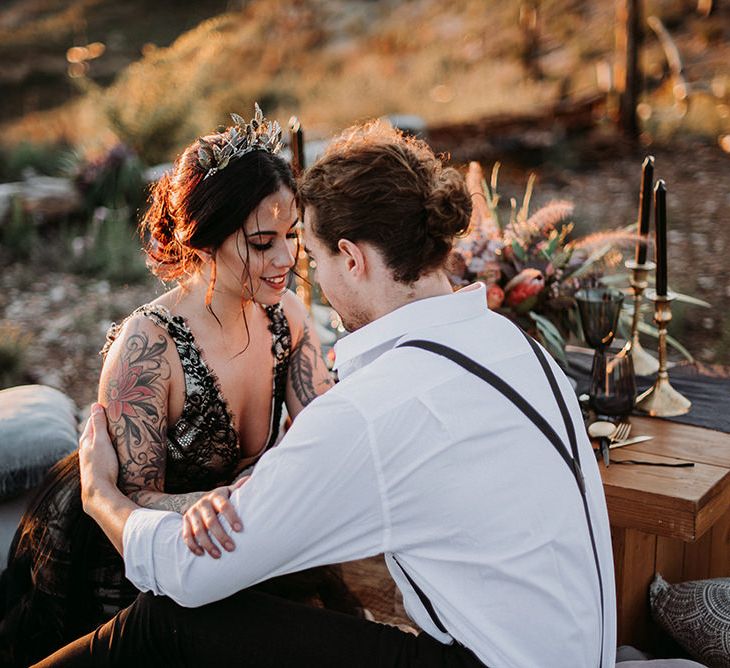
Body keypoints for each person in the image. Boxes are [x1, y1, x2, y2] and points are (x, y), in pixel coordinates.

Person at [37, 120, 617, 667]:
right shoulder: (519, 349)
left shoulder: (373, 404)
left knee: (173, 621)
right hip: (575, 653)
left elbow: (187, 571)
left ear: (354, 259)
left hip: (483, 660)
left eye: (307, 252)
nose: (293, 267)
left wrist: (100, 495)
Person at [0, 106, 360, 667]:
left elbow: (327, 427)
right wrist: (214, 502)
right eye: (263, 242)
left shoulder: (284, 315)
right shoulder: (149, 349)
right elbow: (130, 497)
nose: (287, 260)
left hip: (236, 533)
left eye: (291, 236)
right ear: (205, 238)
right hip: (133, 555)